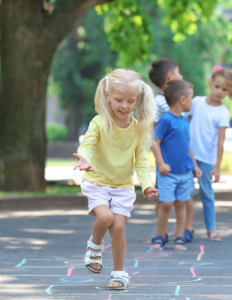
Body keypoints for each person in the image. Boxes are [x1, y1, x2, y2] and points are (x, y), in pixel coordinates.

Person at [73, 69, 159, 290]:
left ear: (137, 100)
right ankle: (94, 245)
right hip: (97, 181)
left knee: (118, 227)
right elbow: (88, 144)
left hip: (122, 186)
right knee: (105, 218)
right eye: (119, 99)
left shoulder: (137, 128)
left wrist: (147, 185)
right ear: (107, 95)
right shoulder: (99, 122)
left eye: (130, 101)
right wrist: (84, 158)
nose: (124, 105)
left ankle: (119, 273)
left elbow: (140, 160)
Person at [186, 66, 232, 242]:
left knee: (207, 194)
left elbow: (221, 141)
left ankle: (211, 229)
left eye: (225, 89)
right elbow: (184, 126)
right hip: (188, 155)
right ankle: (185, 228)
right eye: (217, 86)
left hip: (207, 159)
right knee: (184, 194)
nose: (220, 91)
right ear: (210, 83)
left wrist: (217, 167)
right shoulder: (196, 102)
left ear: (229, 91)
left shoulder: (223, 112)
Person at [150, 80, 202, 251]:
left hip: (185, 172)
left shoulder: (185, 121)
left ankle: (180, 236)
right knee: (166, 204)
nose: (192, 102)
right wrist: (160, 163)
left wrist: (194, 166)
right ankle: (160, 236)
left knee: (181, 204)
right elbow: (154, 142)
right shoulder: (165, 120)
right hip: (168, 173)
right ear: (182, 99)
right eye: (191, 98)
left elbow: (188, 146)